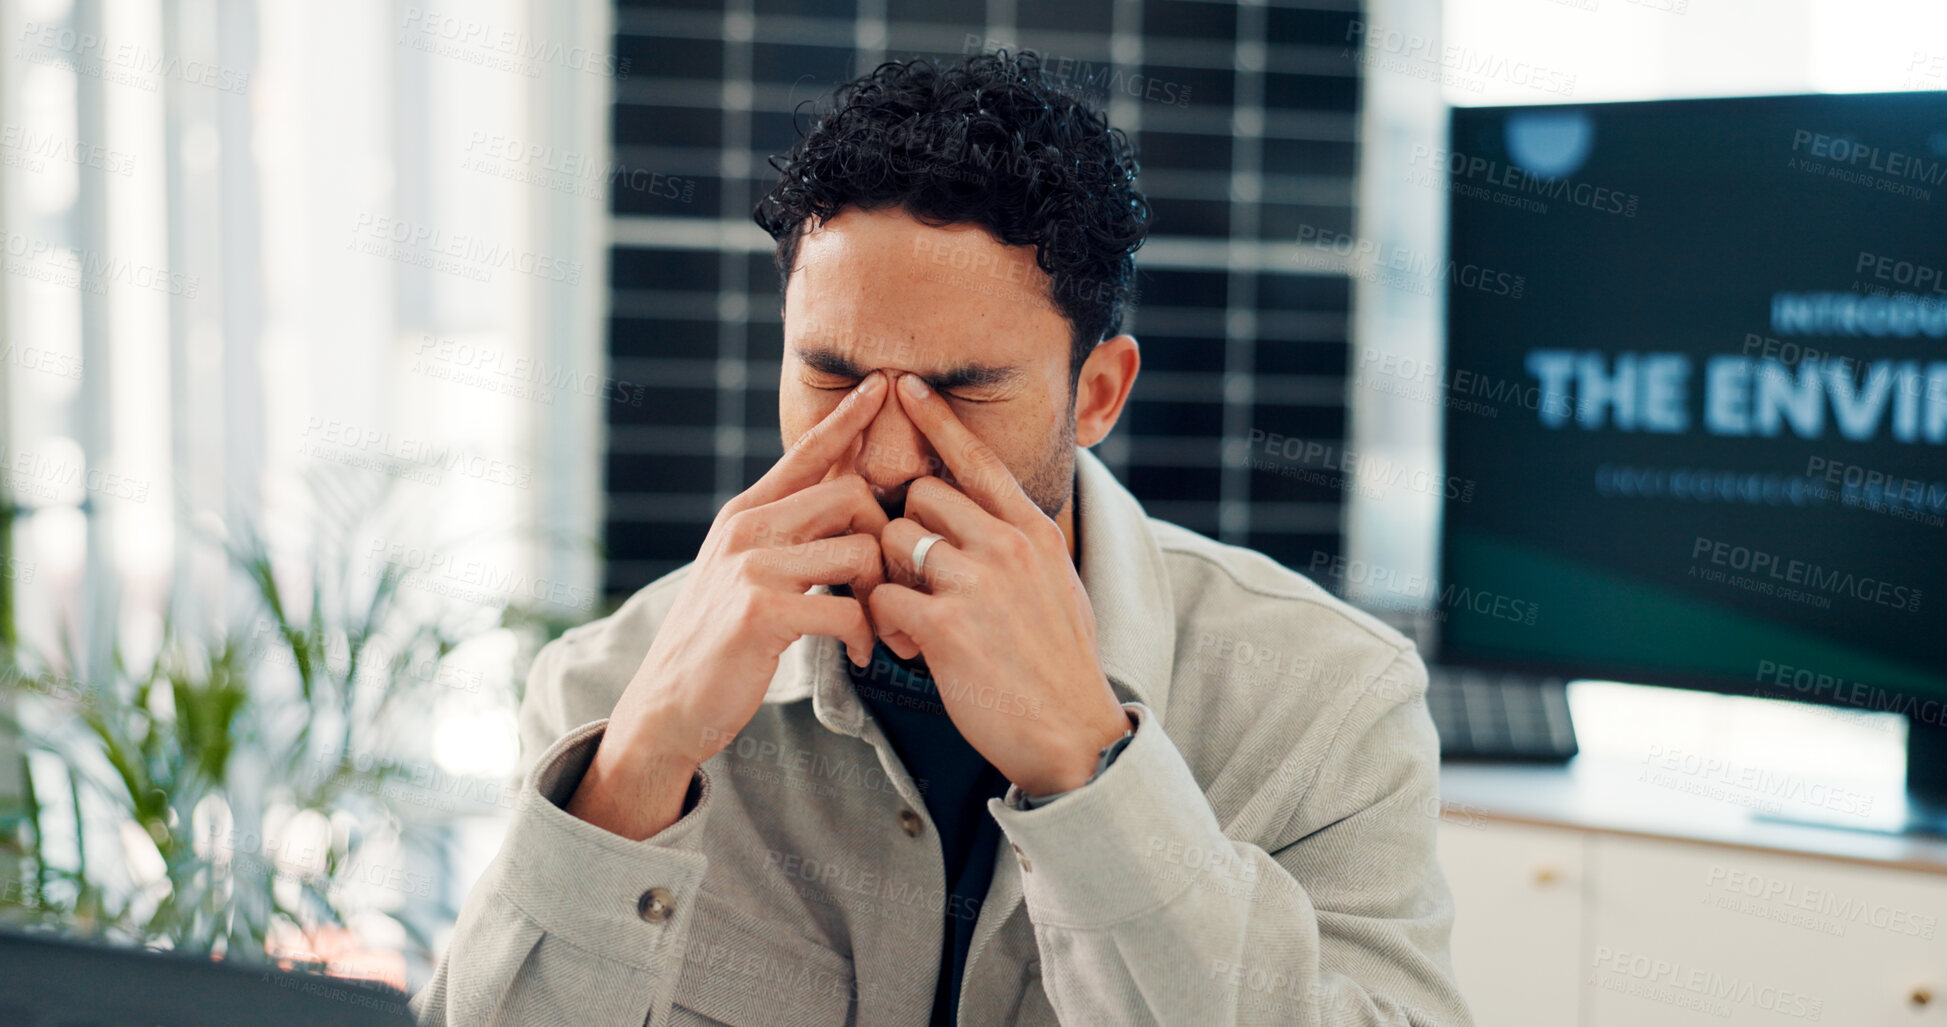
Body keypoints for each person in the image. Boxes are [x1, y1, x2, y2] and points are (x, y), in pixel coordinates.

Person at [412, 49, 1471, 1026]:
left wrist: (1092, 773)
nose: (880, 455)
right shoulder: (605, 687)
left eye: (963, 393)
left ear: (1097, 393)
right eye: (830, 377)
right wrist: (636, 773)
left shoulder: (1325, 704)